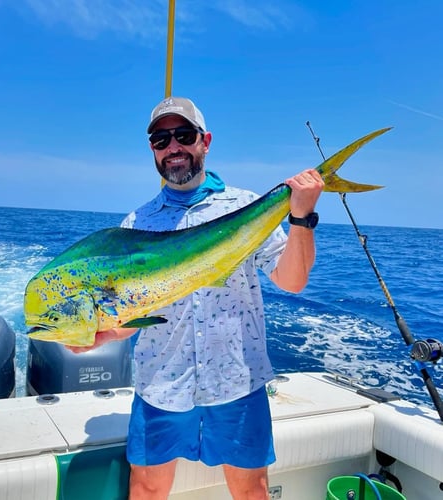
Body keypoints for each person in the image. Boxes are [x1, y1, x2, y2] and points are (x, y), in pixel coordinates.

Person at [70, 96, 324, 499]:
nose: (173, 147)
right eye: (160, 139)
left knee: (251, 492)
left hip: (237, 383)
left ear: (204, 141)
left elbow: (291, 281)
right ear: (152, 150)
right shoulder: (136, 225)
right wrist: (100, 334)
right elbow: (130, 313)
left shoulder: (245, 206)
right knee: (147, 490)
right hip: (161, 384)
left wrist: (300, 216)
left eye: (183, 135)